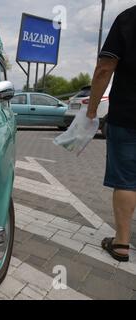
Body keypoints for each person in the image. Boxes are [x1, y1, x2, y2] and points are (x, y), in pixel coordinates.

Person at [86, 5, 136, 262]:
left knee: (127, 180)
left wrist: (92, 109)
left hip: (129, 115)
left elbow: (105, 68)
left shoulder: (128, 19)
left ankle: (121, 243)